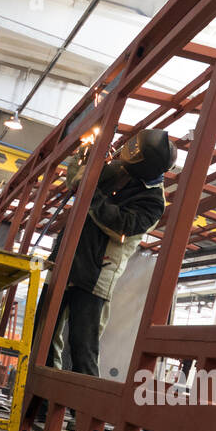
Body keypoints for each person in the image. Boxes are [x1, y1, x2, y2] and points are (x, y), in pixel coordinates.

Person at [34, 128, 176, 377]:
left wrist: (89, 191)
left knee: (82, 348)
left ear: (146, 166)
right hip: (64, 260)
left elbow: (120, 225)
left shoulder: (153, 202)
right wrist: (84, 160)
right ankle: (42, 406)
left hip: (96, 274)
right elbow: (79, 181)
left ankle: (82, 413)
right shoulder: (121, 170)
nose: (123, 159)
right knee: (41, 336)